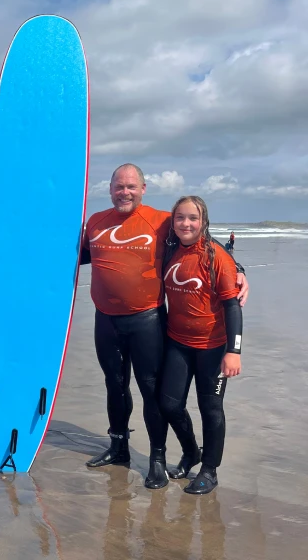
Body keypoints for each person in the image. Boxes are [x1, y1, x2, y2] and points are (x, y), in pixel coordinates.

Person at [80, 164, 248, 489]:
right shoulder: (95, 222)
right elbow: (80, 255)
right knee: (115, 385)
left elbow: (202, 243)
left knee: (152, 392)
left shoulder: (162, 222)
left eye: (131, 186)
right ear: (110, 188)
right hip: (107, 321)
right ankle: (118, 447)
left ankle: (159, 457)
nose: (124, 192)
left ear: (143, 188)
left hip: (148, 321)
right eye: (118, 186)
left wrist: (238, 270)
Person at [159, 196, 242, 494]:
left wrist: (234, 351)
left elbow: (233, 306)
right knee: (169, 404)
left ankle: (210, 469)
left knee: (211, 408)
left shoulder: (217, 256)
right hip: (177, 342)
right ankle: (191, 451)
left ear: (203, 220)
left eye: (193, 218)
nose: (186, 223)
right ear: (173, 221)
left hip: (213, 346)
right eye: (180, 217)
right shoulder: (168, 249)